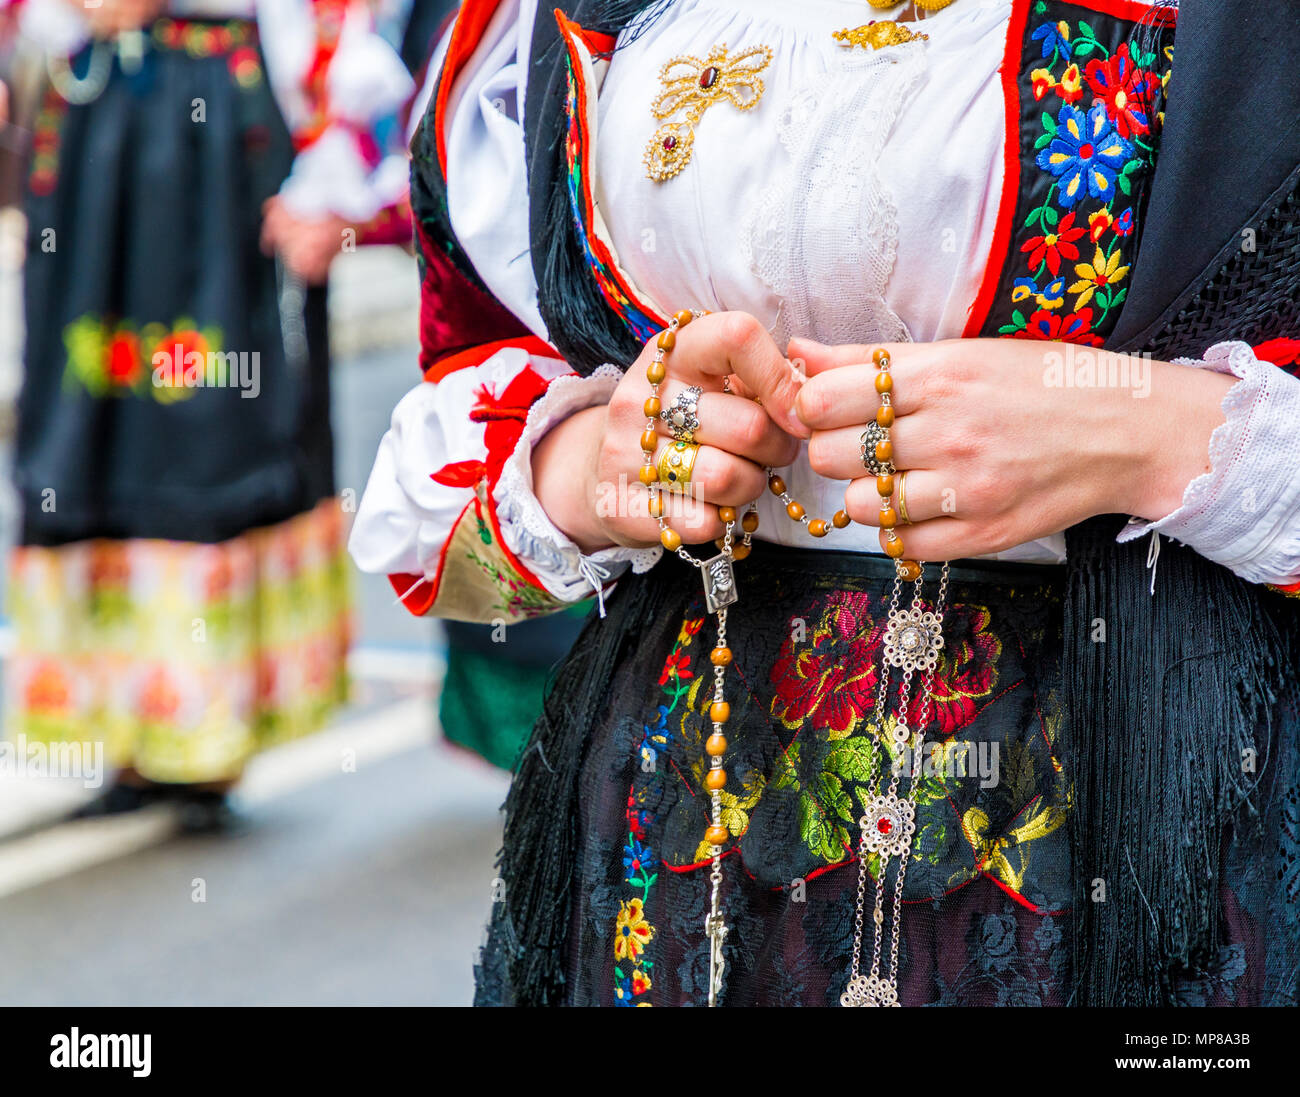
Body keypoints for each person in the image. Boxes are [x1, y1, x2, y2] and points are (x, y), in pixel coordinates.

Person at [350, 0, 1300, 1006]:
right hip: (681, 844)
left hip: (1159, 821)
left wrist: (1143, 433)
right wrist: (597, 462)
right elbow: (486, 356)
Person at [1, 0, 412, 826]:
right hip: (96, 119)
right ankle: (126, 728)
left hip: (209, 131)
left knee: (209, 419)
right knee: (89, 420)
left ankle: (208, 723)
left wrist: (330, 168)